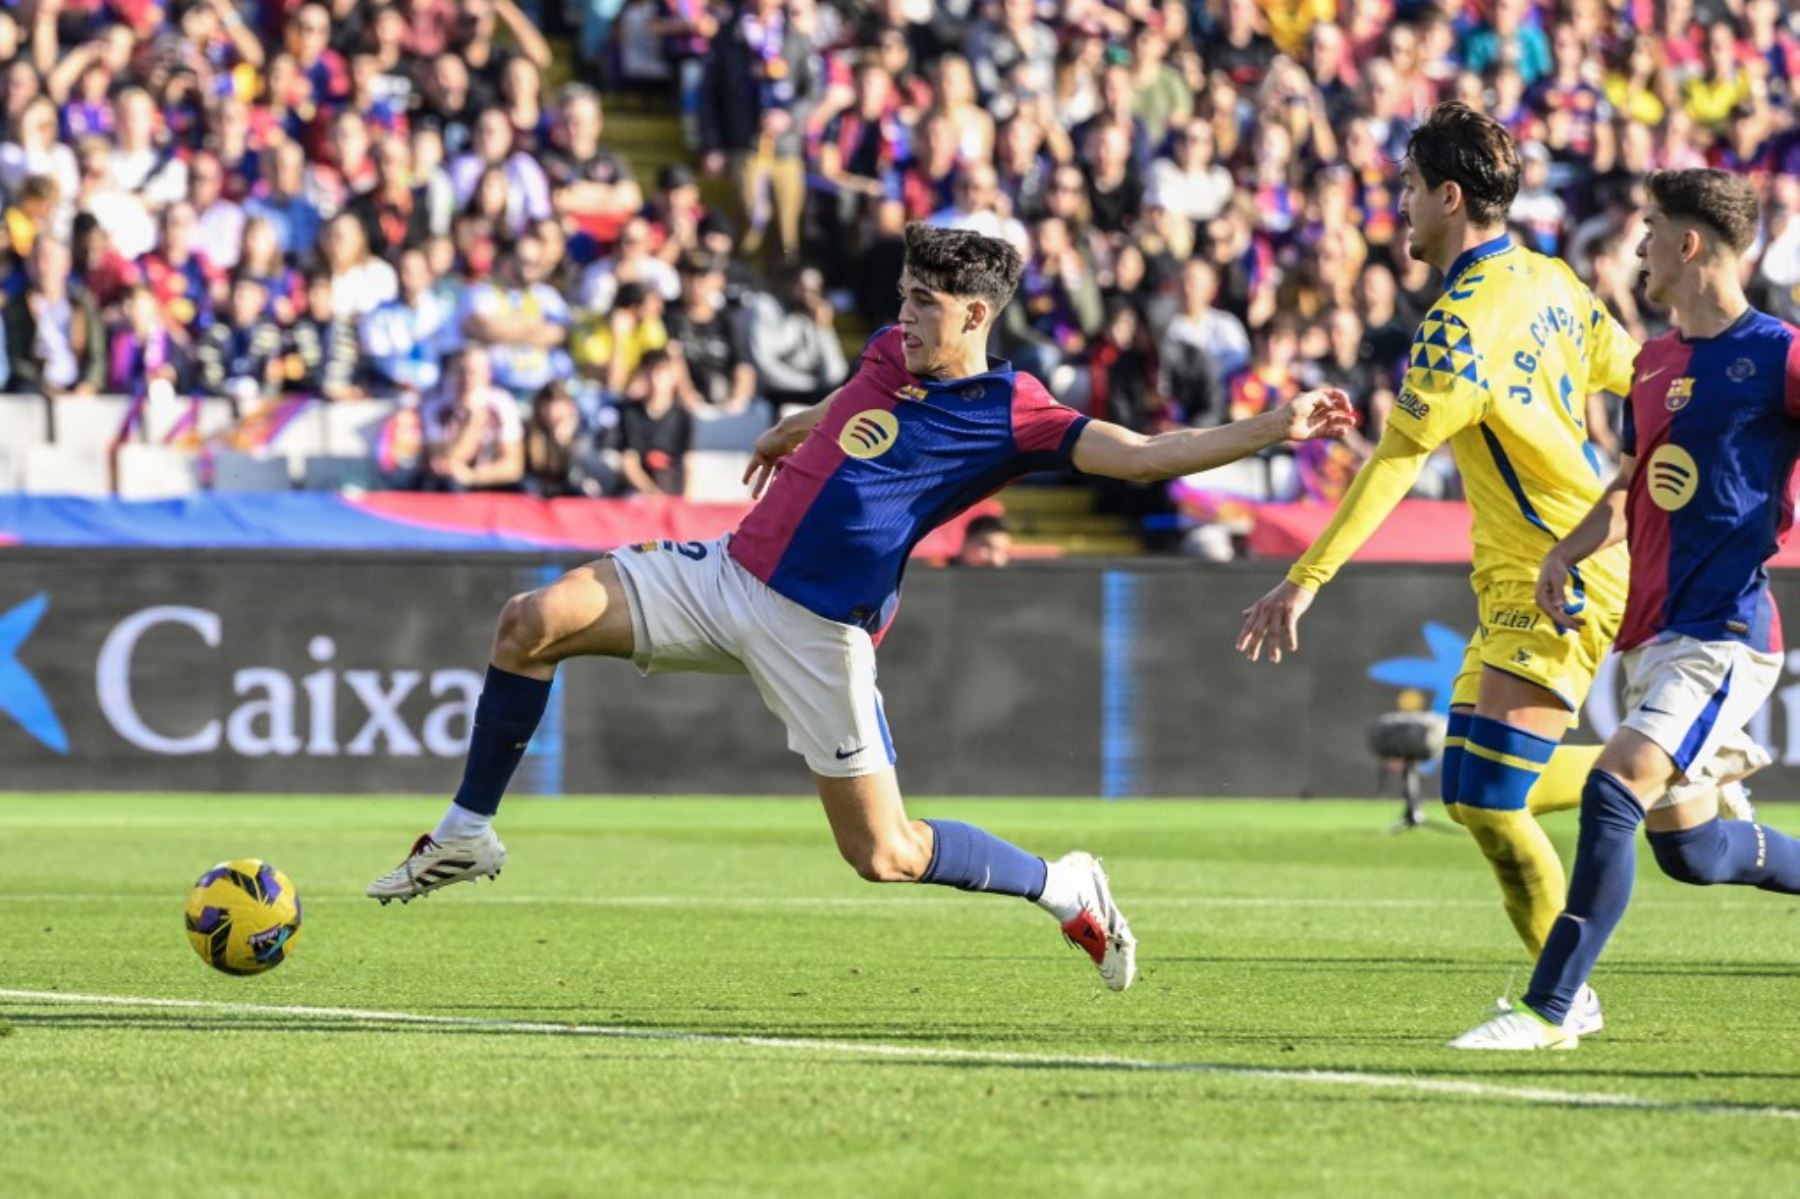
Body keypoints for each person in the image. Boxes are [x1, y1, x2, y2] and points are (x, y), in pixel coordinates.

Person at [366, 224, 1356, 993]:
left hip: (818, 634)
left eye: (928, 305)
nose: (908, 317)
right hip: (721, 576)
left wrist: (1276, 425)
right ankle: (467, 828)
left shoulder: (1015, 412)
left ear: (976, 316)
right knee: (529, 620)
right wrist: (791, 429)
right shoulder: (890, 349)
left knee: (884, 853)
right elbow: (849, 407)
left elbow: (1142, 455)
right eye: (905, 299)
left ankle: (1064, 885)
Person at [1236, 103, 1640, 1034]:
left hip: (1559, 572)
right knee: (1468, 790)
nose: (1400, 208)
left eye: (1410, 190)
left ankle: (1561, 1002)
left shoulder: (1461, 322)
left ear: (1450, 197)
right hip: (1533, 568)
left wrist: (1306, 578)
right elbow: (1640, 372)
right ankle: (1667, 777)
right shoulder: (1549, 278)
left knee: (1494, 800)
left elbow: (1393, 464)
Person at [1450, 170, 1800, 1051]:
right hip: (1649, 634)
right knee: (1695, 853)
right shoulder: (1652, 363)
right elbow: (1634, 485)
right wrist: (1566, 551)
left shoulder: (1781, 354)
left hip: (1726, 631)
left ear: (1689, 246)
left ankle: (1548, 1007)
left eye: (1650, 230)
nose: (1637, 246)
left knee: (1612, 789)